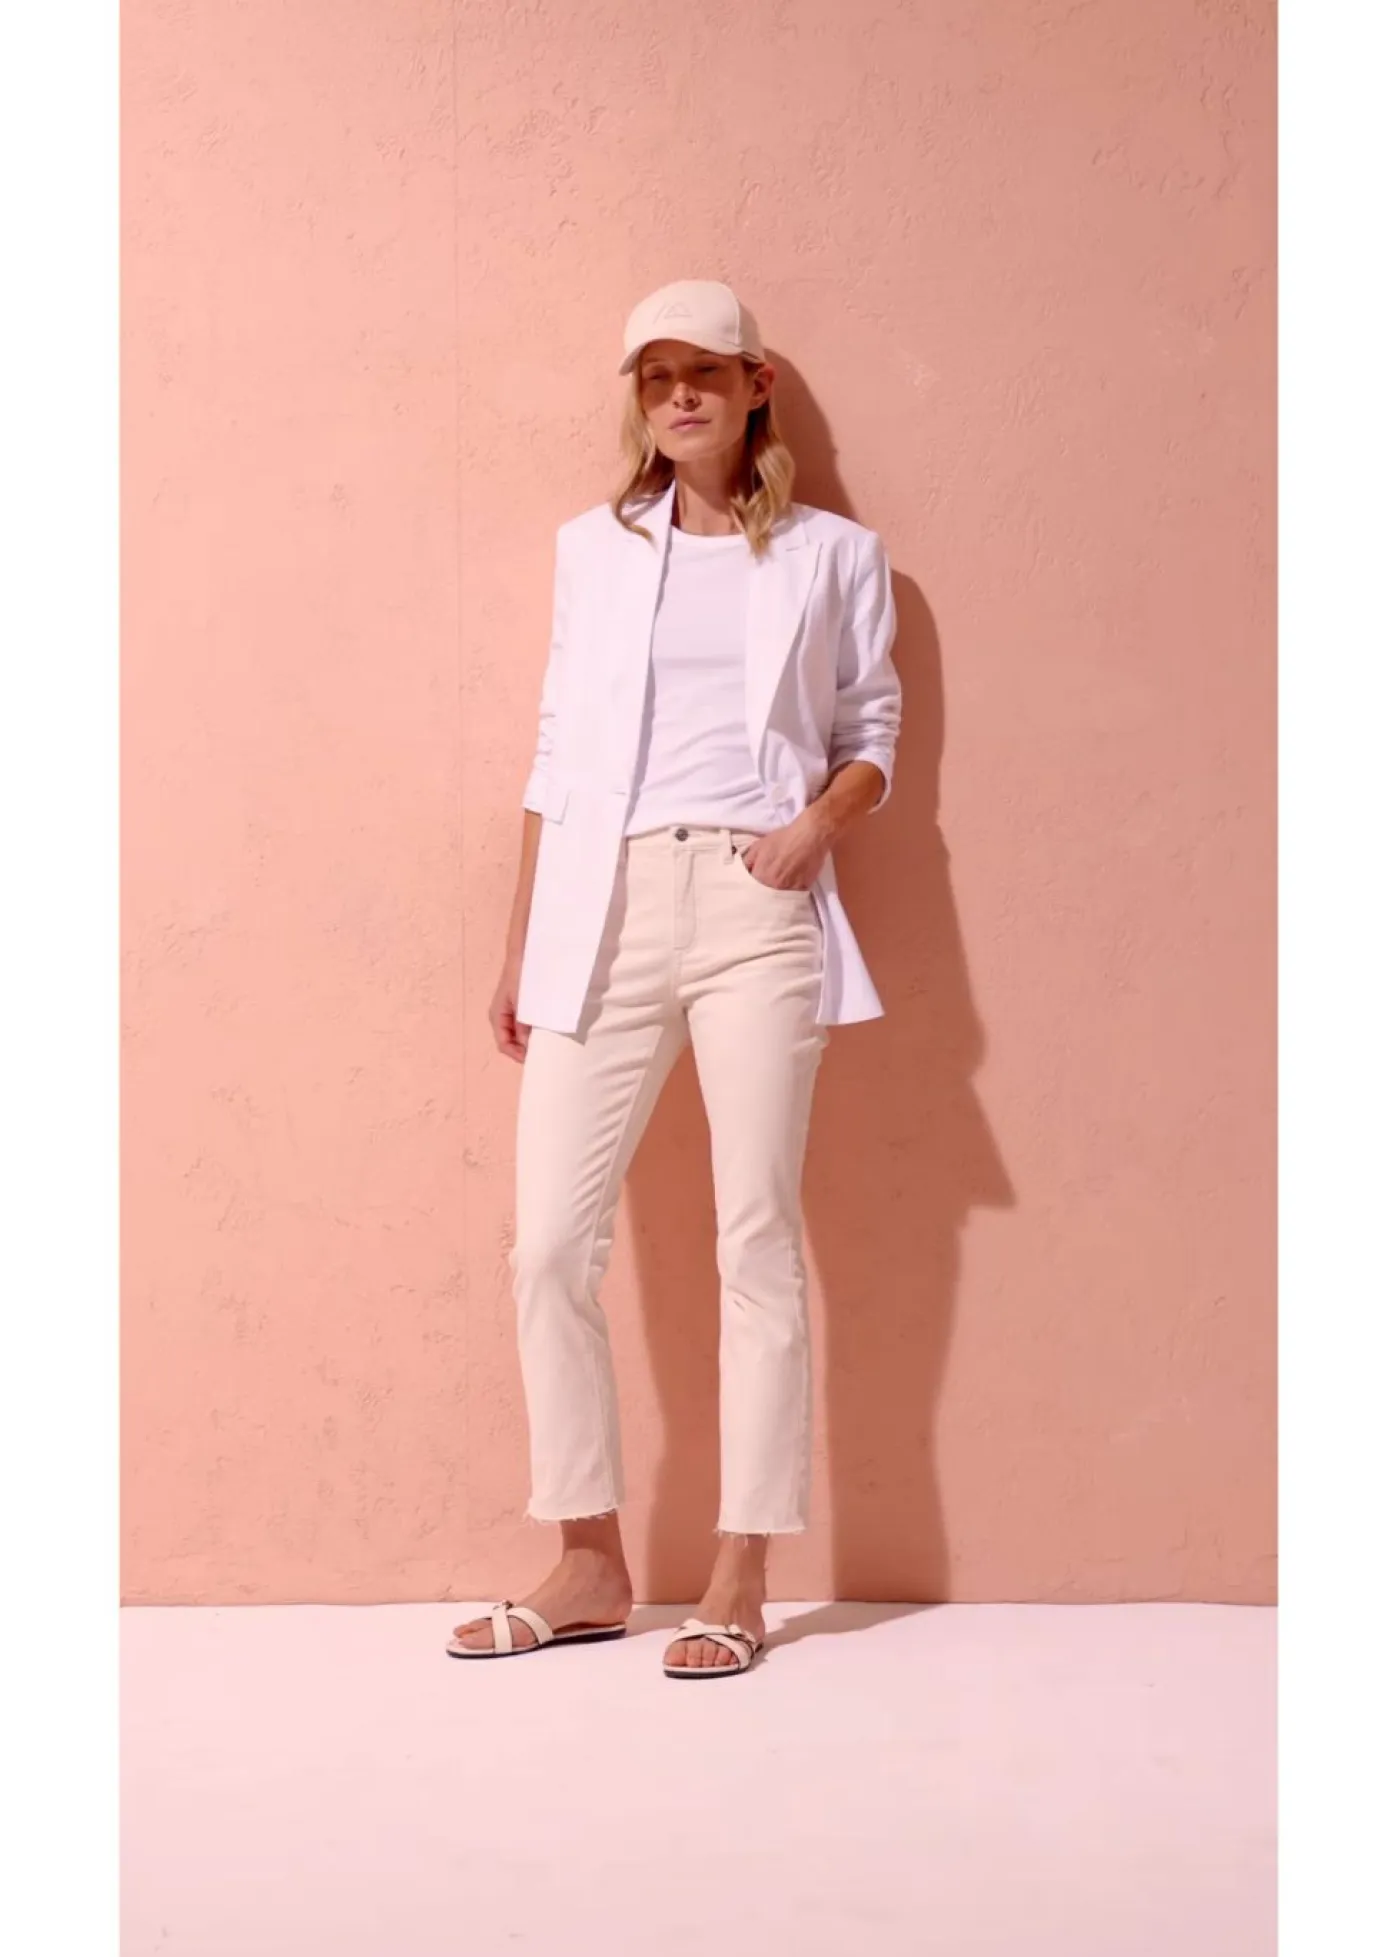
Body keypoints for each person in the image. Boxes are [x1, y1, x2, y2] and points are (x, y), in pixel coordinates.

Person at [447, 278, 901, 1678]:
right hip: (608, 901)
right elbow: (554, 752)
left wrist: (809, 833)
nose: (680, 396)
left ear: (756, 384)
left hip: (757, 901)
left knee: (753, 1238)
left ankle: (741, 1574)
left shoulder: (834, 554)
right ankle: (589, 1559)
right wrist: (525, 939)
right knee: (546, 1247)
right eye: (656, 376)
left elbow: (872, 737)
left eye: (704, 371)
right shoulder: (594, 548)